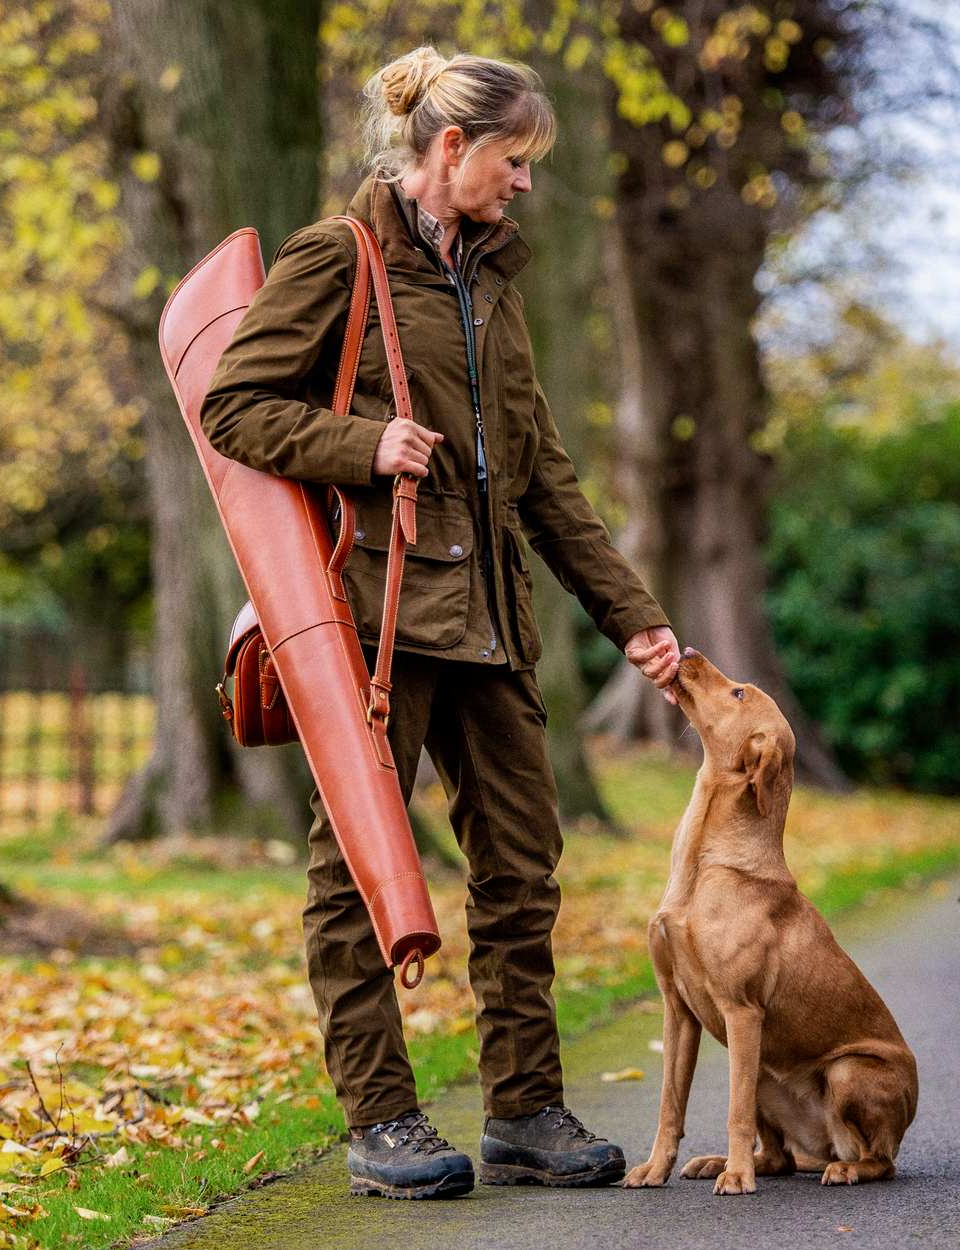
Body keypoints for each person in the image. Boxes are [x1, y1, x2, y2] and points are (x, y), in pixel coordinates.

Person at [200, 45, 680, 1201]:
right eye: (514, 160)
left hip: (494, 622)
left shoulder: (495, 283)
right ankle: (383, 1117)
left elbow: (545, 477)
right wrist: (360, 443)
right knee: (359, 874)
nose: (524, 184)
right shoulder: (339, 257)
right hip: (372, 621)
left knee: (521, 874)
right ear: (450, 148)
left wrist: (637, 622)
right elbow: (232, 404)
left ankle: (525, 1106)